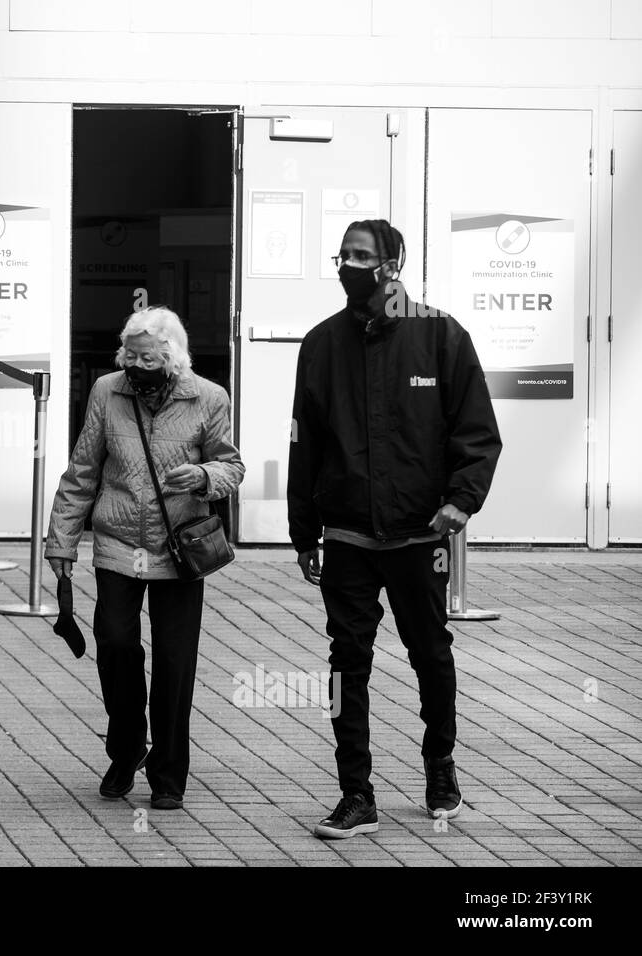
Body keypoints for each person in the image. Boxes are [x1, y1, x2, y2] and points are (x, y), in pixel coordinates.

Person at [288, 219, 502, 839]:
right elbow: (304, 443)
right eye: (342, 255)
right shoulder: (321, 344)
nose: (348, 265)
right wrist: (304, 531)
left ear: (392, 265)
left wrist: (462, 501)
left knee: (430, 652)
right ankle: (356, 793)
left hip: (419, 536)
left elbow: (477, 432)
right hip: (349, 536)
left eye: (361, 255)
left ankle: (440, 765)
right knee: (346, 663)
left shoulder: (441, 335)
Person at [45, 306, 244, 810]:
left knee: (175, 661)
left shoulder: (209, 397)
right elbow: (83, 470)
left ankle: (169, 771)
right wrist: (62, 540)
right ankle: (127, 746)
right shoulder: (106, 391)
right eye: (130, 356)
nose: (135, 366)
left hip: (180, 547)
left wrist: (203, 476)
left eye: (147, 358)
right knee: (115, 645)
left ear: (172, 358)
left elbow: (231, 465)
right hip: (118, 543)